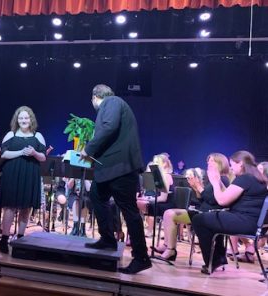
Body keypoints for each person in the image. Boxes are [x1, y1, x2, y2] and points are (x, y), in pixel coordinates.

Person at [80, 84, 150, 274]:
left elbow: (109, 127)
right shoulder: (114, 105)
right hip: (111, 169)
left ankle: (141, 257)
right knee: (96, 195)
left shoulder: (112, 102)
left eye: (92, 100)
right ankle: (108, 239)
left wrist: (88, 149)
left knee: (129, 211)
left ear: (95, 97)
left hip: (121, 168)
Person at [192, 151, 268, 274]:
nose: (231, 168)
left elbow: (222, 201)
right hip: (253, 223)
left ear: (241, 164)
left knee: (199, 219)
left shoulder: (245, 178)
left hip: (245, 222)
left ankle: (213, 261)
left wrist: (215, 182)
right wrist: (219, 182)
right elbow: (230, 195)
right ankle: (219, 258)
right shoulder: (258, 179)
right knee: (212, 218)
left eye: (233, 164)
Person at [153, 153, 230, 261]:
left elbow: (214, 200)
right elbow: (203, 199)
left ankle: (170, 250)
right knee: (168, 213)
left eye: (212, 161)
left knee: (170, 214)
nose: (208, 163)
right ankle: (167, 246)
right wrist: (195, 187)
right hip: (201, 211)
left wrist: (199, 186)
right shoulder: (212, 180)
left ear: (220, 163)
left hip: (208, 215)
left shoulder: (222, 180)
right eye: (208, 161)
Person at [0, 106, 46, 254]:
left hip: (30, 173)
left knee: (26, 207)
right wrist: (20, 152)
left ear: (31, 119)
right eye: (21, 118)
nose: (24, 120)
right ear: (17, 120)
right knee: (10, 207)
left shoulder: (38, 136)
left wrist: (34, 153)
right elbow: (3, 154)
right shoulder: (10, 134)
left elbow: (43, 157)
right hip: (12, 173)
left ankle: (20, 239)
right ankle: (4, 239)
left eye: (26, 118)